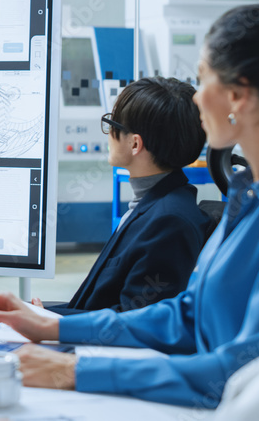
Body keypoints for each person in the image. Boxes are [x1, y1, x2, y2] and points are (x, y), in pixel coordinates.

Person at [0, 4, 259, 407]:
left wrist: (74, 370)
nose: (195, 101)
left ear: (237, 96)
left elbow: (253, 369)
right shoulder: (255, 187)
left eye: (201, 79)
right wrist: (52, 325)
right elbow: (187, 317)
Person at [39, 77, 208, 315]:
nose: (108, 134)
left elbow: (135, 321)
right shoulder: (152, 205)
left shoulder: (169, 222)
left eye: (112, 125)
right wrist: (43, 314)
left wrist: (49, 321)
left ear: (135, 144)